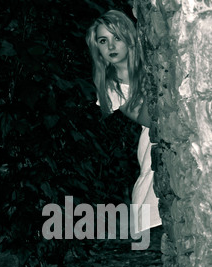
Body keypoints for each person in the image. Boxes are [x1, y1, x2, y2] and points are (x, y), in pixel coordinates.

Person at [86, 10, 162, 241]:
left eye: (116, 37)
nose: (111, 45)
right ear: (97, 48)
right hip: (152, 138)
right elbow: (148, 119)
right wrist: (152, 81)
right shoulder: (111, 87)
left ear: (128, 37)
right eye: (103, 40)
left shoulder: (151, 59)